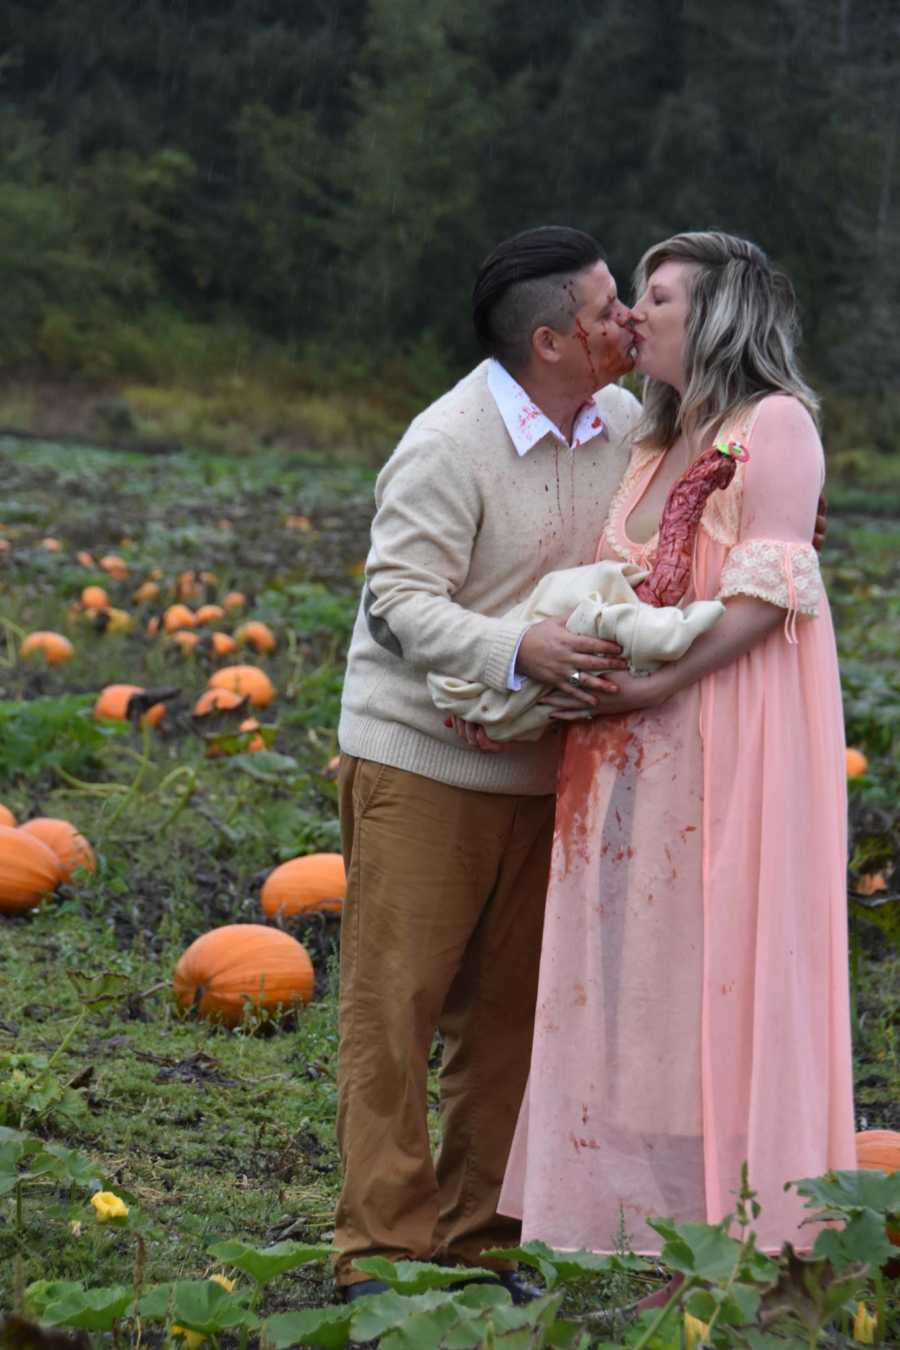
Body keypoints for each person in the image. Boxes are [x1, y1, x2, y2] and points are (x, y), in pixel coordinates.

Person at [498, 231, 856, 1263]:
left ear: (719, 316)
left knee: (731, 960)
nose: (636, 315)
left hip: (730, 733)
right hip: (629, 755)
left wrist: (654, 684)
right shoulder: (649, 444)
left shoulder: (773, 427)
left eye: (658, 296)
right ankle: (654, 1227)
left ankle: (754, 1237)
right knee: (647, 981)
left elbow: (768, 597)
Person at [333, 225, 645, 1300]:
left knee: (510, 1021)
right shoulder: (448, 441)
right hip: (421, 759)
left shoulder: (626, 423)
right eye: (610, 310)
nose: (629, 323)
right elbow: (399, 599)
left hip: (541, 766)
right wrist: (518, 645)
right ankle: (377, 1252)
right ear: (553, 340)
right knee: (396, 1006)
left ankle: (478, 1243)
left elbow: (691, 509)